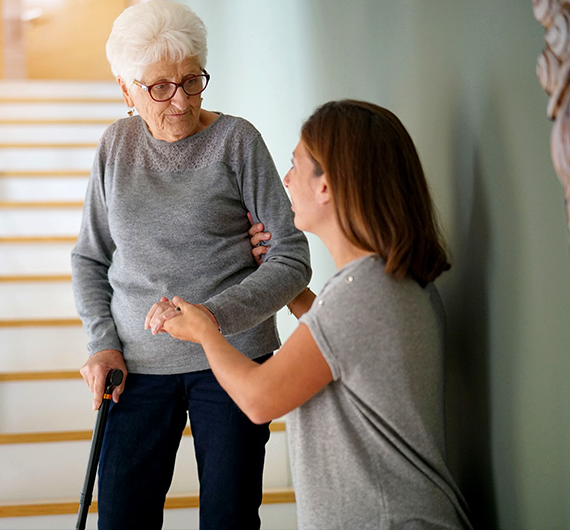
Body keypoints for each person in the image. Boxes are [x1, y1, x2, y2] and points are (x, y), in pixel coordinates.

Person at [156, 100, 474, 529]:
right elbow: (338, 348)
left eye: (295, 166)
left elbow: (258, 399)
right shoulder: (391, 282)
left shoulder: (360, 295)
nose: (285, 180)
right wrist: (289, 288)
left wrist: (205, 329)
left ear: (327, 185)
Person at [70, 0, 312, 530]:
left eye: (192, 81)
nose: (180, 101)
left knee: (229, 519)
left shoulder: (237, 140)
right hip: (135, 367)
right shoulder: (115, 146)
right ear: (126, 89)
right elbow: (90, 258)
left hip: (232, 358)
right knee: (121, 519)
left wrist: (209, 320)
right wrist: (102, 343)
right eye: (160, 87)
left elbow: (291, 258)